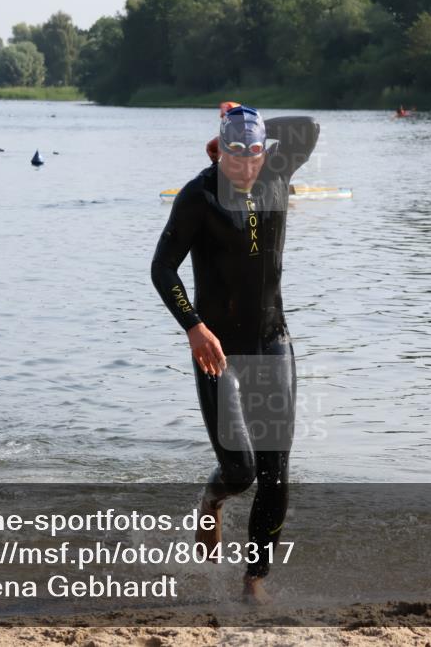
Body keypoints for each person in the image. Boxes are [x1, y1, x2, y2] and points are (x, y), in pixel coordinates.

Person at [151, 102, 319, 604]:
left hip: (271, 341)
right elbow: (163, 269)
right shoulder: (199, 197)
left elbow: (309, 128)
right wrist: (194, 327)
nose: (244, 164)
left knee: (276, 470)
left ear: (262, 152)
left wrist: (245, 114)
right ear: (219, 150)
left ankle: (254, 581)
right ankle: (212, 498)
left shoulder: (276, 174)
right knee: (241, 471)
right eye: (233, 152)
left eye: (252, 153)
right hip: (217, 351)